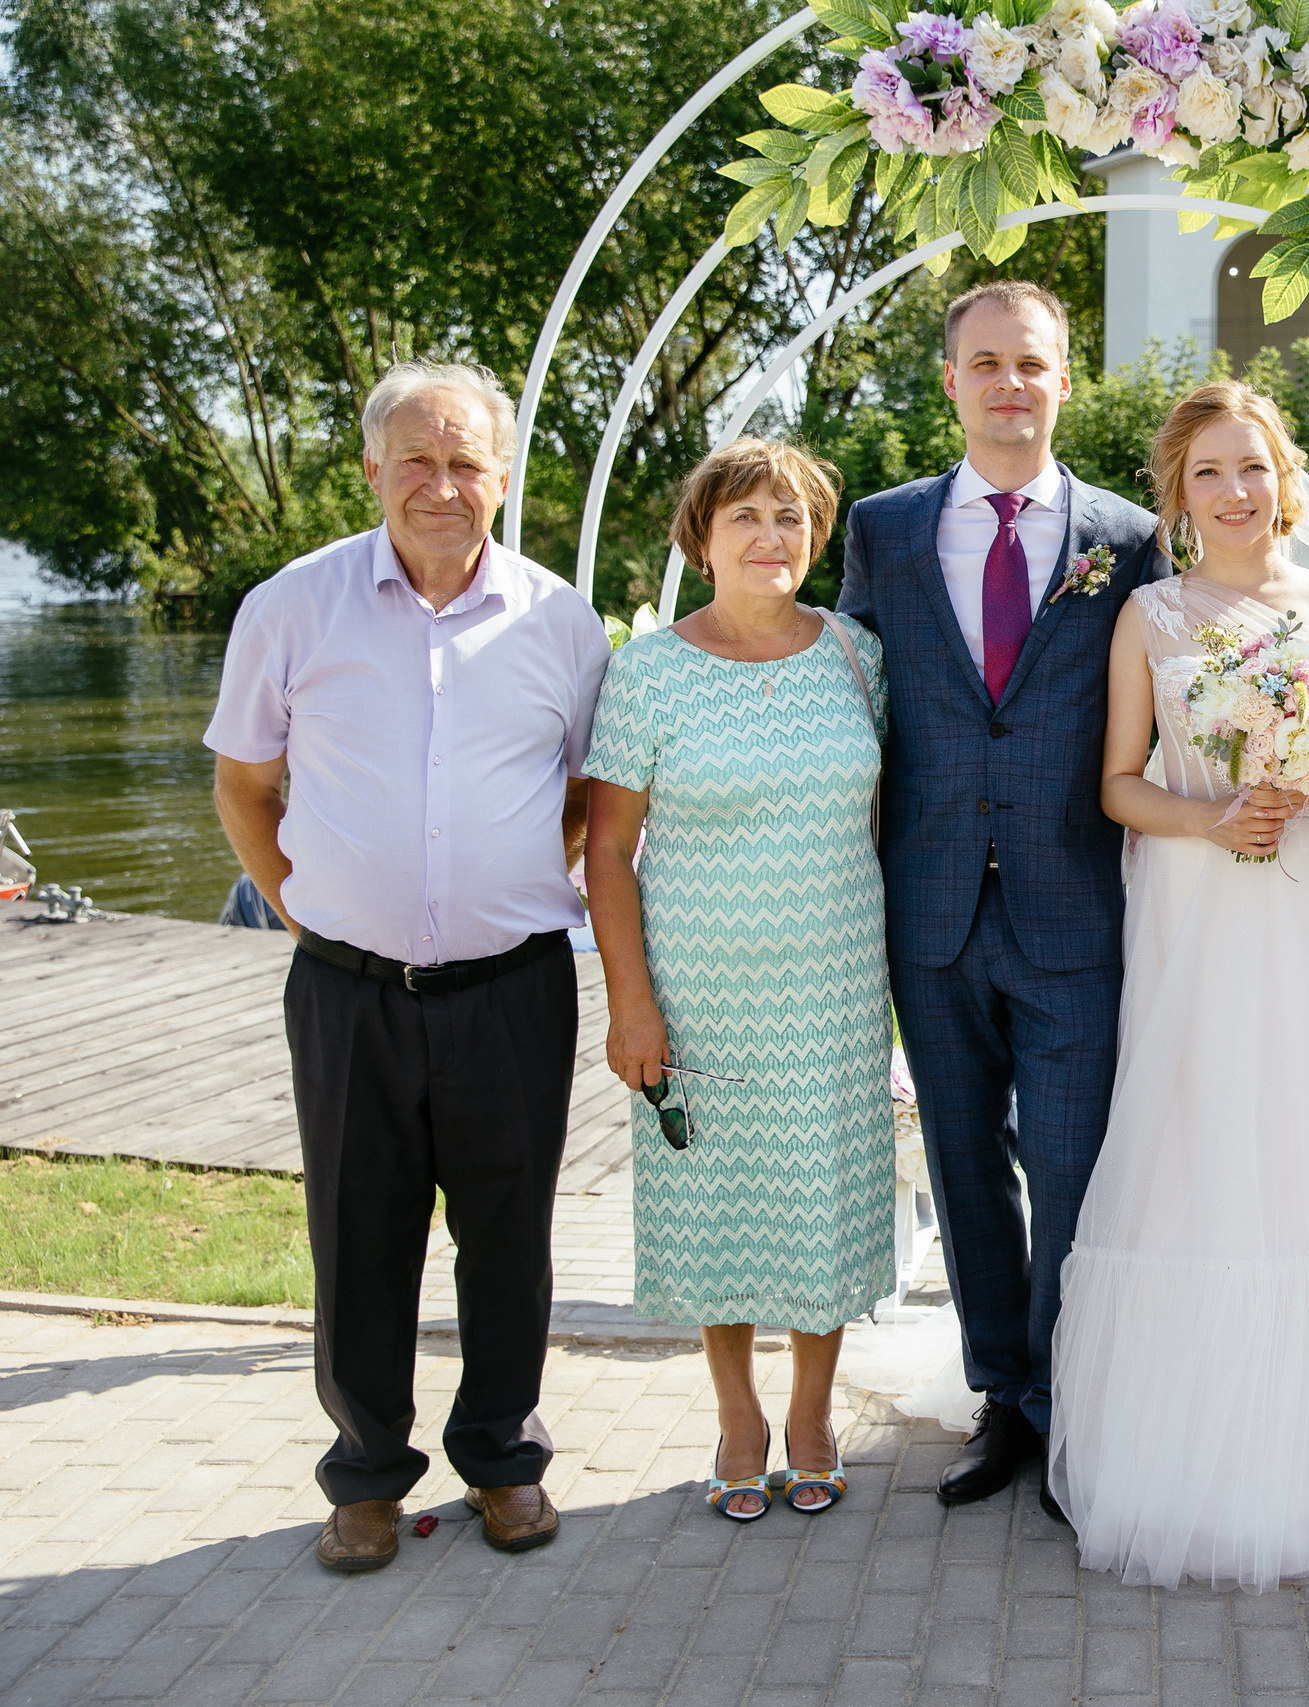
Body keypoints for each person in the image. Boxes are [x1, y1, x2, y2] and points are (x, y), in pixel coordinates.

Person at [1047, 380, 1309, 1588]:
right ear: (1177, 496)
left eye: (1251, 467)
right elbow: (1117, 784)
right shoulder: (1148, 616)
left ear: (1284, 477)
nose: (1234, 492)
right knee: (1202, 1134)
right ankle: (1182, 1446)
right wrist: (1210, 815)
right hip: (1196, 907)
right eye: (1208, 474)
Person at [205, 360, 608, 1571]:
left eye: (465, 462)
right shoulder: (292, 606)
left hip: (513, 986)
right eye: (416, 460)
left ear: (502, 476)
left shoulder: (560, 621)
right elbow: (244, 785)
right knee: (357, 1235)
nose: (442, 485)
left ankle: (503, 1460)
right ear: (374, 468)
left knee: (509, 1237)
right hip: (348, 990)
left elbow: (585, 794)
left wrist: (503, 875)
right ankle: (367, 1476)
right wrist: (305, 912)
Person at [835, 281, 1162, 1517]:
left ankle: (1068, 1400)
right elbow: (849, 700)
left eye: (1030, 363)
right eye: (985, 363)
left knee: (1072, 1170)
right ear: (952, 382)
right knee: (965, 1168)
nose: (1009, 383)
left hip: (1075, 904)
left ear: (1064, 379)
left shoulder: (1128, 538)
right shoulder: (884, 529)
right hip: (929, 909)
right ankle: (1001, 1396)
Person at [583, 440, 893, 1522]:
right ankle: (736, 1416)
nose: (771, 537)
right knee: (712, 1204)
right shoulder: (649, 671)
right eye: (746, 517)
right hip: (699, 987)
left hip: (835, 985)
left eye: (791, 517)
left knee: (824, 1199)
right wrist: (631, 1001)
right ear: (701, 539)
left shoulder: (855, 654)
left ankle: (810, 1415)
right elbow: (606, 850)